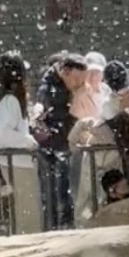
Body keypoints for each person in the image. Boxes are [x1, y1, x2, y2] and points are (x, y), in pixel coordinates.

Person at [68, 108, 129, 223]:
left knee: (103, 198)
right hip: (91, 163)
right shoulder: (100, 128)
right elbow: (82, 123)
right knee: (86, 197)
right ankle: (81, 224)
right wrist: (73, 142)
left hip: (111, 169)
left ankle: (95, 223)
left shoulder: (128, 141)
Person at [0, 52, 42, 235]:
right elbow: (3, 135)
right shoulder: (10, 100)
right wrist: (28, 141)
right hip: (17, 162)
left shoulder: (5, 98)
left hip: (18, 161)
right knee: (27, 212)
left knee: (24, 210)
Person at [33, 52, 88, 228]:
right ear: (65, 72)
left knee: (66, 192)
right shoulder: (48, 90)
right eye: (77, 79)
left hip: (65, 146)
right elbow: (40, 117)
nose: (80, 84)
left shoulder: (61, 86)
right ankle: (56, 227)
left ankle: (64, 224)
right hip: (53, 149)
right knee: (55, 194)